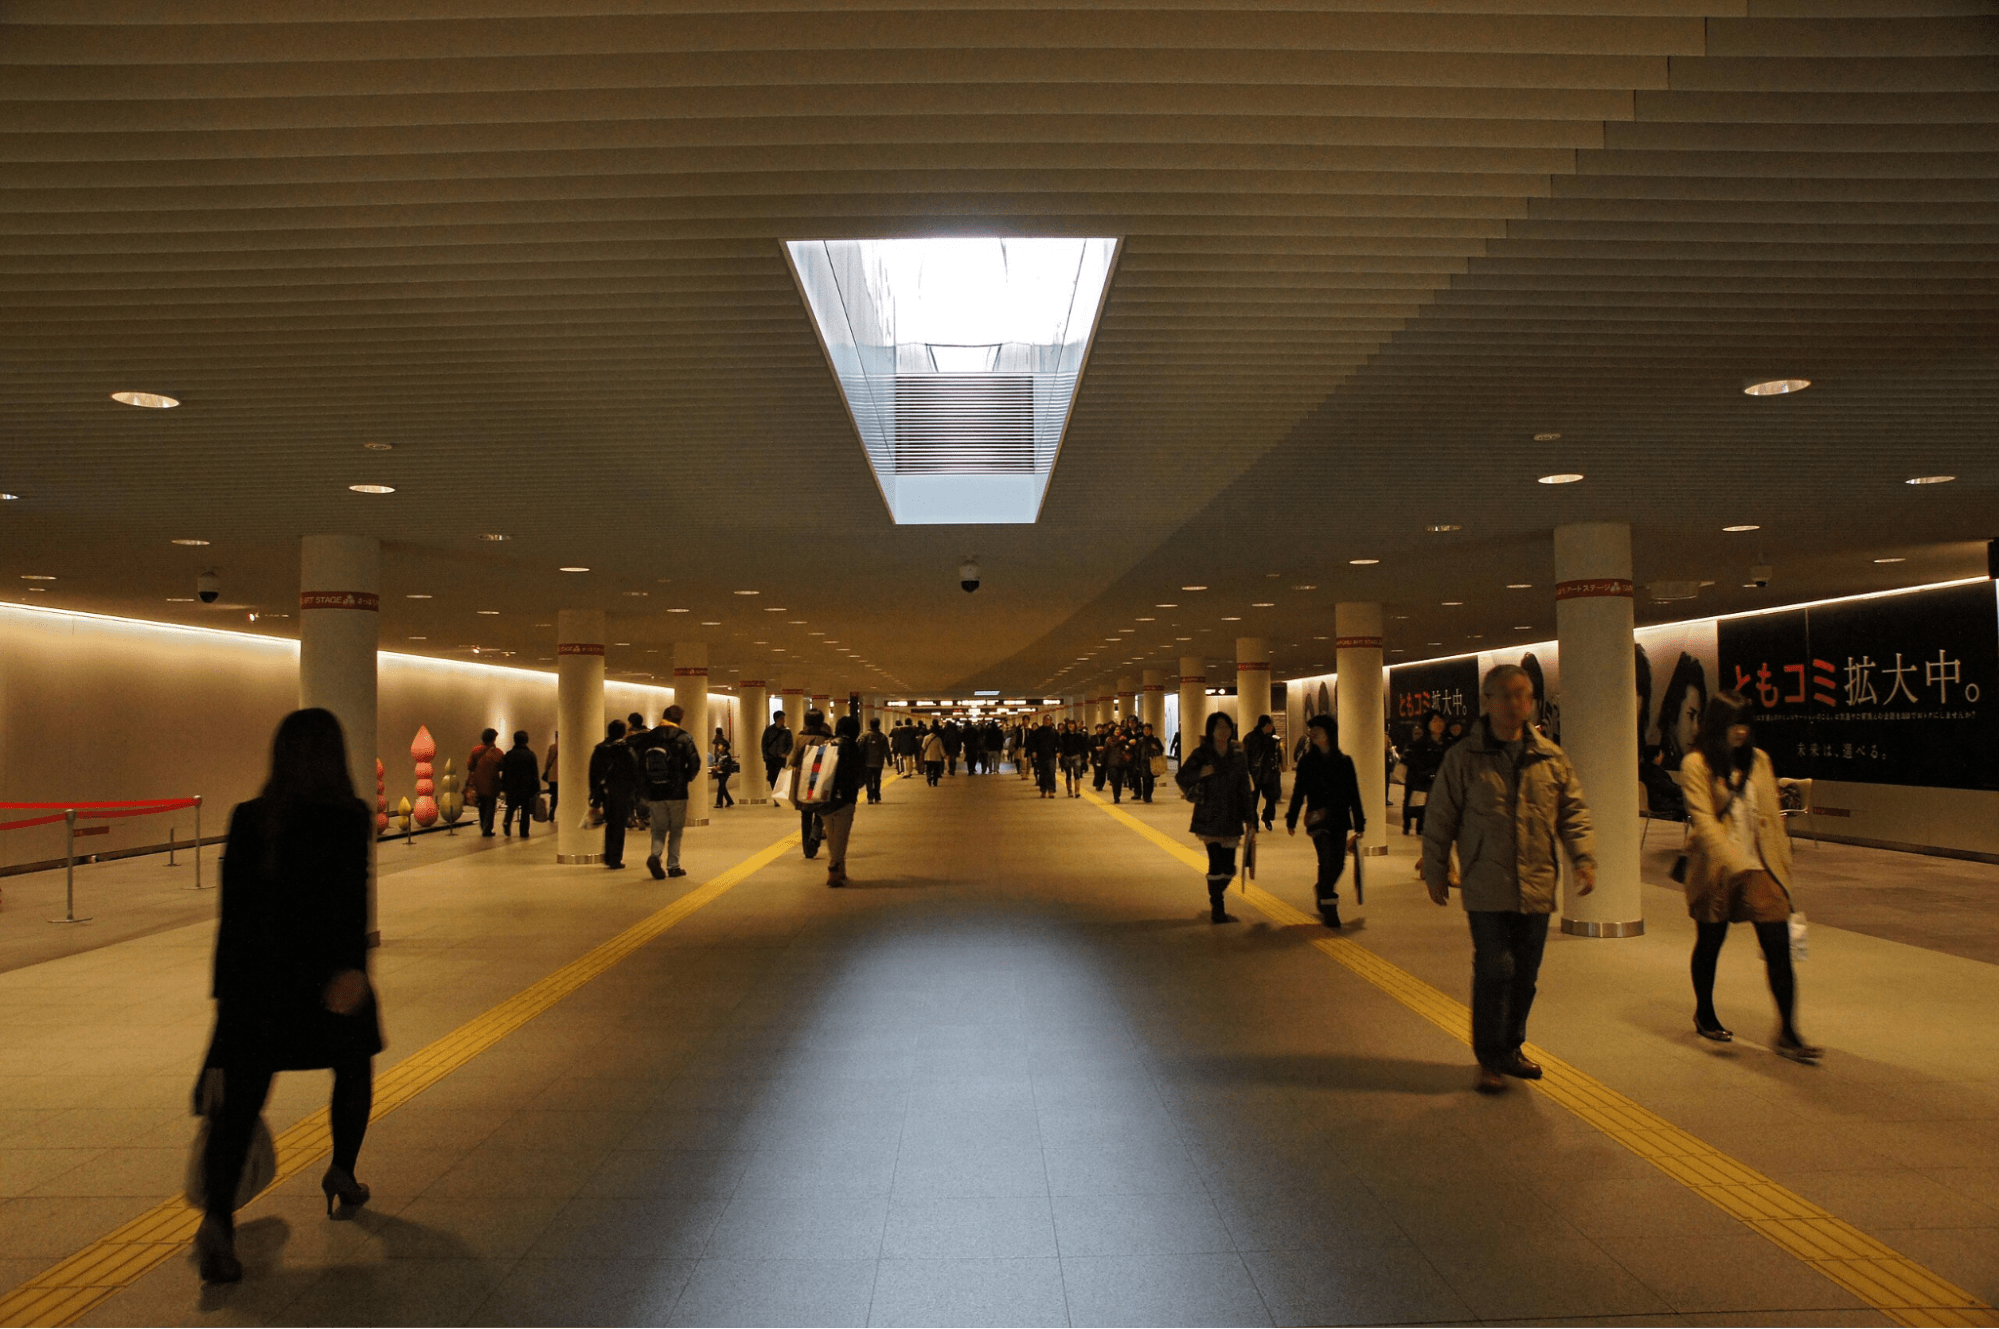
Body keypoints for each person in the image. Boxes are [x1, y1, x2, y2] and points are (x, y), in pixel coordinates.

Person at [195, 708, 382, 1284]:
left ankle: (219, 1222)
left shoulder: (251, 817)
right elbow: (352, 903)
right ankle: (342, 1172)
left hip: (258, 984)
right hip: (329, 980)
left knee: (242, 1102)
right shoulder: (350, 818)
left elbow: (234, 917)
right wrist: (354, 968)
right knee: (353, 1072)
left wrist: (225, 1002)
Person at [1422, 664, 1597, 1094]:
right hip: (1485, 881)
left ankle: (1510, 1048)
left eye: (1526, 695)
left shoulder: (1550, 757)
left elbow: (1572, 811)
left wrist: (1583, 858)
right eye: (1508, 694)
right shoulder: (1463, 758)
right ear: (1488, 701)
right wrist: (1436, 866)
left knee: (1525, 974)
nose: (1518, 703)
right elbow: (1441, 816)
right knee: (1495, 968)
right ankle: (1489, 1058)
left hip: (1536, 881)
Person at [1678, 691, 1820, 1061]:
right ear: (1715, 725)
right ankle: (1705, 1013)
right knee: (1710, 941)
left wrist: (1783, 870)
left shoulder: (1759, 761)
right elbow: (1704, 820)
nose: (1739, 732)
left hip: (1761, 868)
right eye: (1731, 725)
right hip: (1717, 869)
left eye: (1744, 724)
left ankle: (1788, 1032)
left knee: (1778, 949)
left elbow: (1773, 820)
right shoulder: (1697, 764)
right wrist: (1731, 859)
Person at [1175, 711, 1257, 924]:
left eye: (1227, 726)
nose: (1224, 730)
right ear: (1211, 730)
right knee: (1215, 864)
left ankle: (1216, 896)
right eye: (1219, 726)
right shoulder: (1202, 753)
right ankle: (1217, 908)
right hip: (1209, 816)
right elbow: (1181, 776)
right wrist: (1201, 773)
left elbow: (1244, 788)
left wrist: (1251, 819)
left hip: (1232, 817)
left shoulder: (1238, 755)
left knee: (1229, 868)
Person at [1285, 714, 1366, 928]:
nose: (1313, 735)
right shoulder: (1307, 763)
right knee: (1327, 859)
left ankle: (1322, 888)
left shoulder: (1344, 762)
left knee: (1338, 863)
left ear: (1329, 734)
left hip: (1339, 818)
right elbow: (1298, 791)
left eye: (1317, 732)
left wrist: (1360, 823)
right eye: (1311, 732)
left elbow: (1353, 793)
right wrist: (1291, 818)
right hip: (1317, 819)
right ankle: (1330, 906)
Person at [631, 706, 701, 879]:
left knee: (658, 829)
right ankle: (673, 866)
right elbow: (695, 762)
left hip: (655, 791)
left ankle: (655, 856)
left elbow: (639, 765)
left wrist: (645, 787)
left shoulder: (649, 737)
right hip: (677, 792)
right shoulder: (684, 737)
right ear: (680, 718)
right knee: (676, 830)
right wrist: (686, 778)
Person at [816, 714, 867, 886]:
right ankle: (833, 867)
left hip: (823, 796)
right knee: (841, 836)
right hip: (844, 797)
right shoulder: (852, 746)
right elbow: (859, 774)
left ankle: (840, 870)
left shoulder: (825, 744)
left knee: (832, 835)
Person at [588, 719, 640, 870]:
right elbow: (634, 771)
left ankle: (608, 855)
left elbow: (593, 773)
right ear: (622, 733)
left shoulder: (600, 749)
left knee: (610, 824)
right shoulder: (626, 749)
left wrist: (593, 793)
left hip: (604, 792)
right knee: (619, 826)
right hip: (622, 792)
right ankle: (615, 858)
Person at [789, 708, 837, 857]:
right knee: (821, 810)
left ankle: (807, 850)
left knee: (805, 814)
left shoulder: (799, 737)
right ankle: (815, 836)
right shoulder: (828, 738)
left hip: (803, 779)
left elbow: (794, 760)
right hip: (821, 777)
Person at [1401, 712, 1446, 835]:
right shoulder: (1420, 745)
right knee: (1423, 813)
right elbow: (1416, 766)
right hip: (1423, 785)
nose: (1439, 724)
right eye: (1435, 721)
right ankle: (1413, 825)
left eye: (1440, 720)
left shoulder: (1447, 744)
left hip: (1441, 786)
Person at [498, 730, 539, 838]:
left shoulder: (509, 755)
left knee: (511, 807)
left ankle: (507, 823)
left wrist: (503, 786)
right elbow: (534, 773)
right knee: (525, 809)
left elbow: (505, 772)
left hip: (512, 787)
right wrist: (536, 788)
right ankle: (524, 831)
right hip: (526, 787)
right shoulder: (530, 755)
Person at [1245, 714, 1282, 830]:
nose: (1273, 726)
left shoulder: (1272, 738)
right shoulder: (1251, 738)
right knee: (1253, 800)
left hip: (1268, 773)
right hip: (1255, 773)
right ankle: (1254, 822)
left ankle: (1266, 816)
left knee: (1272, 796)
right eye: (1271, 724)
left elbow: (1276, 754)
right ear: (1266, 725)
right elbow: (1246, 755)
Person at [467, 728, 504, 837]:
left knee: (482, 805)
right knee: (490, 805)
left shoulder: (475, 750)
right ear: (493, 739)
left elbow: (470, 766)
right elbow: (502, 766)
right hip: (492, 782)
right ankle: (487, 828)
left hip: (478, 781)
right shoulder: (496, 752)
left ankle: (483, 825)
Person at [761, 709, 794, 808]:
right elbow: (764, 744)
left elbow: (790, 744)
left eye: (783, 718)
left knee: (780, 778)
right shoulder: (769, 730)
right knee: (772, 778)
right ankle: (775, 797)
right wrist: (766, 756)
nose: (783, 720)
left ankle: (778, 797)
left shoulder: (787, 731)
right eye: (781, 718)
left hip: (781, 758)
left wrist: (786, 753)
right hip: (771, 758)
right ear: (776, 719)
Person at [1027, 716, 1060, 797]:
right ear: (1043, 721)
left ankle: (1051, 790)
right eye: (1045, 720)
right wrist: (1034, 751)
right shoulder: (1038, 732)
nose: (1046, 721)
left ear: (1051, 721)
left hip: (1051, 755)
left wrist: (1058, 751)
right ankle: (1043, 790)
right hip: (1041, 755)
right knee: (1042, 774)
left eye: (1048, 720)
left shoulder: (1054, 732)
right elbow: (1033, 743)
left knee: (1051, 773)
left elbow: (1059, 743)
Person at [1131, 724, 1164, 803]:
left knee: (1151, 780)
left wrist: (1156, 748)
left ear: (1151, 730)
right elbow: (1137, 752)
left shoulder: (1155, 740)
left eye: (1148, 729)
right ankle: (1146, 796)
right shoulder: (1141, 740)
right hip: (1143, 762)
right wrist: (1137, 764)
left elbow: (1161, 749)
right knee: (1145, 779)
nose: (1146, 731)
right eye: (1145, 729)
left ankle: (1149, 795)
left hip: (1153, 762)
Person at [861, 718, 890, 803]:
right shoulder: (882, 736)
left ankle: (870, 797)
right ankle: (877, 796)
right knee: (877, 779)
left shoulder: (864, 736)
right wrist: (889, 760)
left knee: (868, 780)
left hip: (867, 763)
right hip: (878, 762)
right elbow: (887, 750)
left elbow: (860, 748)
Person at [1059, 720, 1090, 797]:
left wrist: (1086, 756)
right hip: (1066, 756)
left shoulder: (1079, 735)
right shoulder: (1064, 735)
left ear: (1074, 726)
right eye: (1069, 725)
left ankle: (1077, 791)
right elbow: (1061, 745)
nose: (1070, 727)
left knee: (1077, 773)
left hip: (1077, 756)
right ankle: (1069, 791)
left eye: (1072, 725)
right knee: (1068, 774)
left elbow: (1084, 746)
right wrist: (1059, 753)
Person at [711, 727, 737, 809]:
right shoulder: (719, 755)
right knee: (722, 787)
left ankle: (719, 803)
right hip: (719, 773)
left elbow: (727, 765)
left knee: (721, 787)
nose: (718, 747)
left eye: (720, 746)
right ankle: (729, 801)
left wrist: (720, 767)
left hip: (724, 773)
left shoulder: (727, 755)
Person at [921, 721, 946, 786]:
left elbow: (923, 747)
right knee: (936, 770)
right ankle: (935, 781)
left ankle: (929, 777)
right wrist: (944, 755)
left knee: (928, 769)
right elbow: (941, 748)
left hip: (928, 757)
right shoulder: (938, 739)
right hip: (937, 758)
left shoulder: (926, 738)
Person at [541, 731, 559, 820]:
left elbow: (548, 762)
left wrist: (546, 771)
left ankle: (552, 810)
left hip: (553, 776)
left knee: (554, 795)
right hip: (563, 776)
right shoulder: (566, 746)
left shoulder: (552, 747)